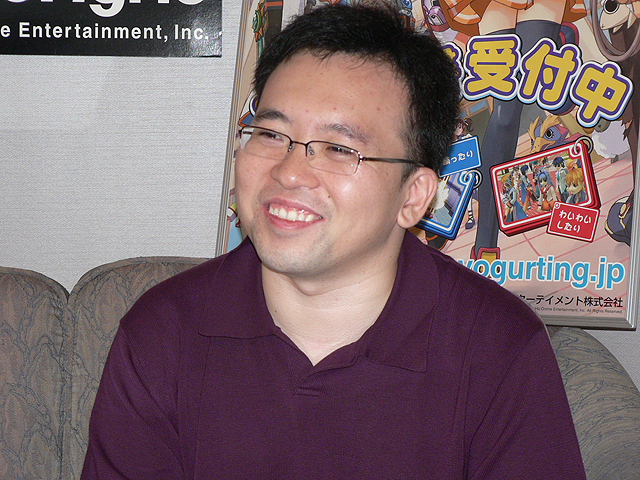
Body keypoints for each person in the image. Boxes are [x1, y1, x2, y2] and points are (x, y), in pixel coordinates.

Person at [81, 4, 586, 479]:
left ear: (414, 196)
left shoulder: (497, 347)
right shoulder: (162, 333)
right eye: (270, 135)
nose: (289, 172)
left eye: (340, 149)